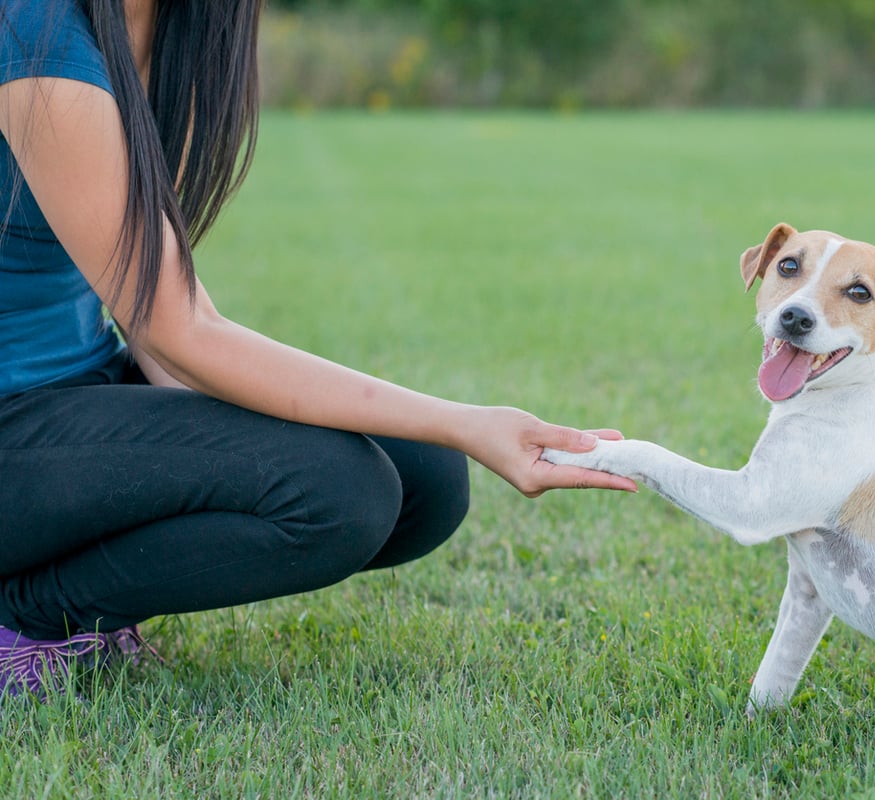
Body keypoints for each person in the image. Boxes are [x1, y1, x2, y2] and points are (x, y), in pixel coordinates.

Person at [0, 0, 635, 699]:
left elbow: (167, 334)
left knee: (424, 479)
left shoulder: (177, 32)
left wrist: (215, 454)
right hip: (15, 427)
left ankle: (75, 593)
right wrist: (466, 417)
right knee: (340, 494)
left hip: (77, 393)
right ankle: (26, 620)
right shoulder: (36, 27)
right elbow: (177, 329)